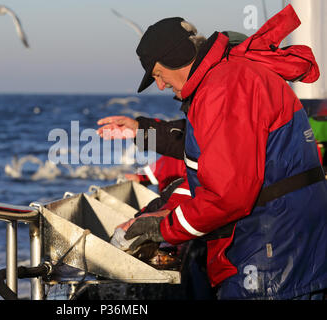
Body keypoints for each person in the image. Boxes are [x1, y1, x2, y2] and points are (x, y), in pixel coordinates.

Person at [98, 5, 327, 300]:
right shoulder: (230, 75)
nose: (160, 83)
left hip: (272, 253)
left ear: (175, 58)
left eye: (158, 73)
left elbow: (229, 196)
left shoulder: (224, 88)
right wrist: (141, 130)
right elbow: (216, 146)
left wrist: (163, 227)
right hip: (292, 239)